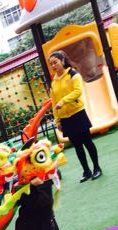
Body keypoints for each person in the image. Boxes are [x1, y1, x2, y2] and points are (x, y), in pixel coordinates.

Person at [49, 50, 102, 183]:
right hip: (65, 119)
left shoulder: (73, 74)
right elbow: (54, 103)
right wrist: (57, 121)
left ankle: (97, 168)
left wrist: (63, 101)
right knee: (77, 146)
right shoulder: (53, 83)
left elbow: (78, 92)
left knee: (87, 142)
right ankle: (86, 171)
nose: (53, 66)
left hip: (78, 114)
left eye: (55, 62)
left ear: (62, 61)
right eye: (51, 64)